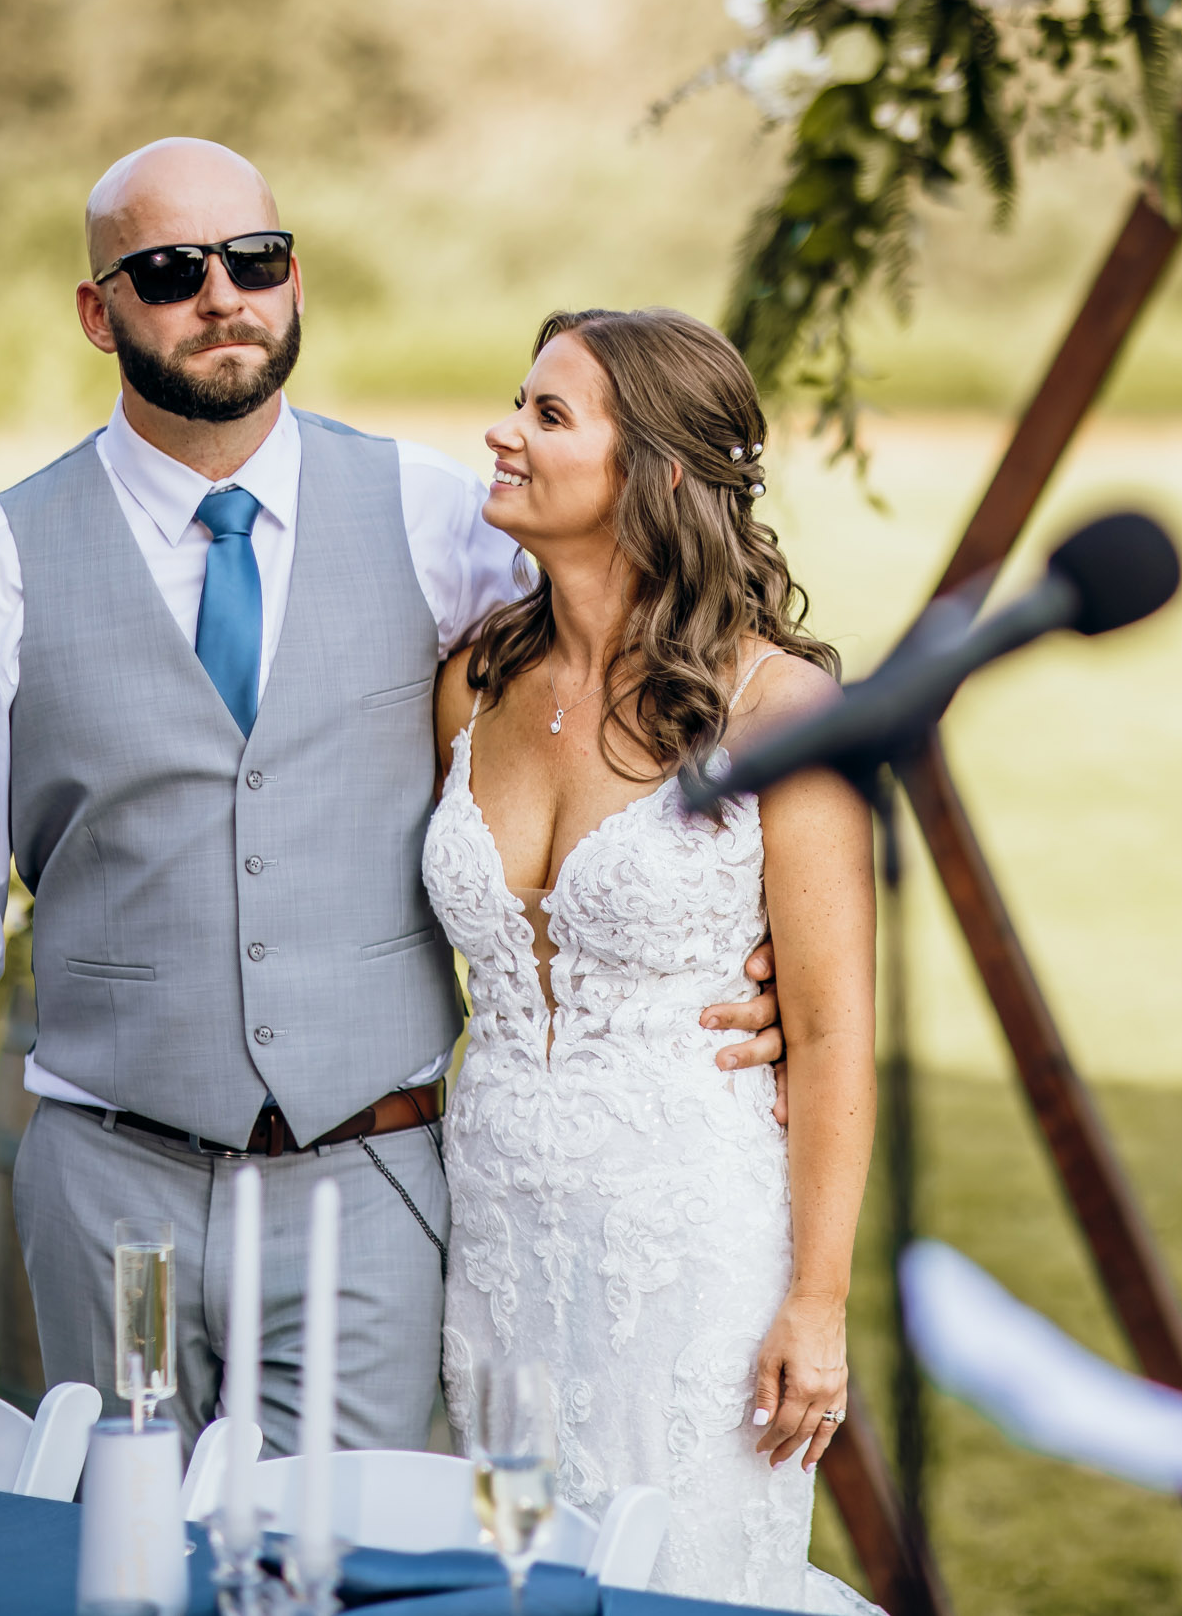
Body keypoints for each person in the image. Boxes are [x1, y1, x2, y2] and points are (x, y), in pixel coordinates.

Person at [0, 139, 789, 1453]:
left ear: (296, 284)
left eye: (257, 261)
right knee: (119, 1569)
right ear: (96, 309)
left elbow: (669, 660)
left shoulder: (441, 521)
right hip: (108, 1182)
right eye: (170, 271)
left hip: (375, 1185)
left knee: (347, 1576)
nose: (223, 296)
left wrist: (753, 948)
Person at [424, 307, 876, 1610]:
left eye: (550, 417)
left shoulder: (778, 711)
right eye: (519, 401)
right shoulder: (473, 682)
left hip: (693, 1242)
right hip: (499, 1230)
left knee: (691, 1580)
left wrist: (819, 1302)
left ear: (661, 476)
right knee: (515, 1579)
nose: (503, 433)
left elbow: (835, 1028)